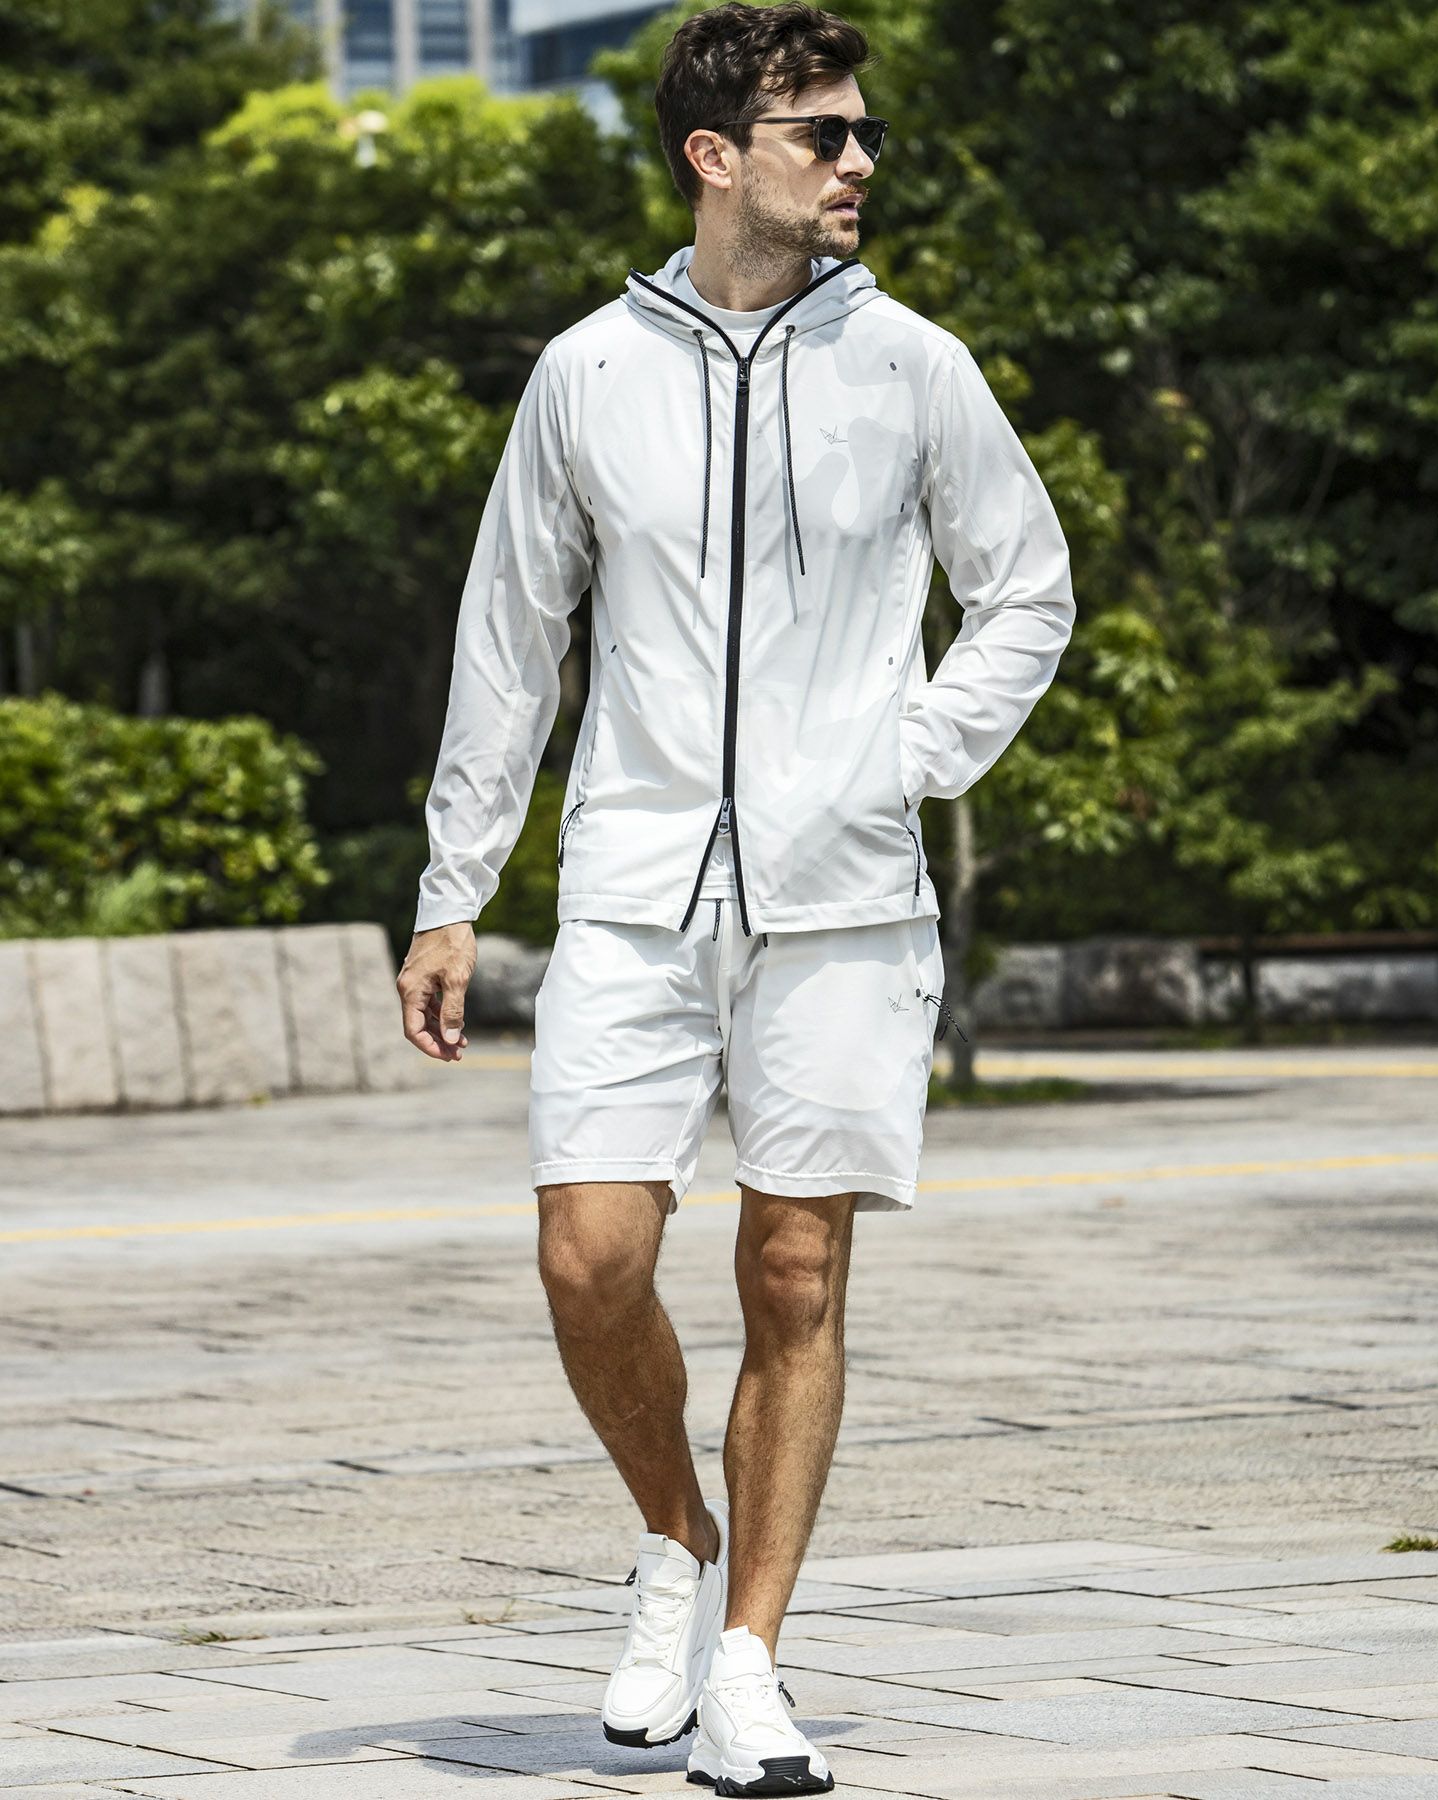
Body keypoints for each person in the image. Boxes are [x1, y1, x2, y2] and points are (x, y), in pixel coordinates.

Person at [397, 3, 1075, 1791]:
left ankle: (752, 1664)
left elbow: (1028, 588)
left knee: (795, 1268)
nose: (859, 161)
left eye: (864, 134)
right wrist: (455, 891)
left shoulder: (915, 365)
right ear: (716, 157)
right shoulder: (585, 373)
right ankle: (674, 1540)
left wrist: (907, 753)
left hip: (844, 897)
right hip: (633, 883)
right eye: (821, 134)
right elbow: (509, 642)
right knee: (589, 1255)